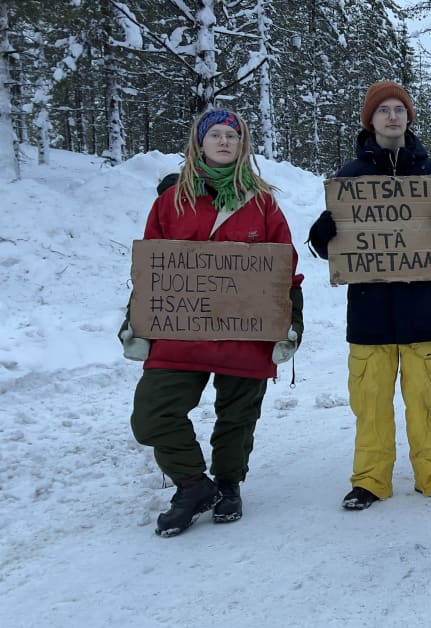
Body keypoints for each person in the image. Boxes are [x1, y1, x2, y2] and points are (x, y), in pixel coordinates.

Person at [121, 108, 305, 537]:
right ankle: (192, 484)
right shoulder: (172, 201)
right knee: (152, 415)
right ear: (199, 142)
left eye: (232, 136)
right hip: (181, 331)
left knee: (238, 415)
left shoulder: (261, 202)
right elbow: (151, 267)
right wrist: (136, 319)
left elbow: (285, 265)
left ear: (242, 147)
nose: (224, 141)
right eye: (216, 134)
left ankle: (228, 484)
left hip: (246, 331)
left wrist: (291, 319)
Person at [308, 80, 431, 510]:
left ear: (409, 117)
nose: (393, 116)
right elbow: (329, 248)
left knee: (428, 399)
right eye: (384, 110)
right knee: (371, 403)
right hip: (369, 313)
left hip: (424, 309)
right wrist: (320, 236)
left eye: (399, 109)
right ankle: (370, 479)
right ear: (371, 120)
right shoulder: (351, 177)